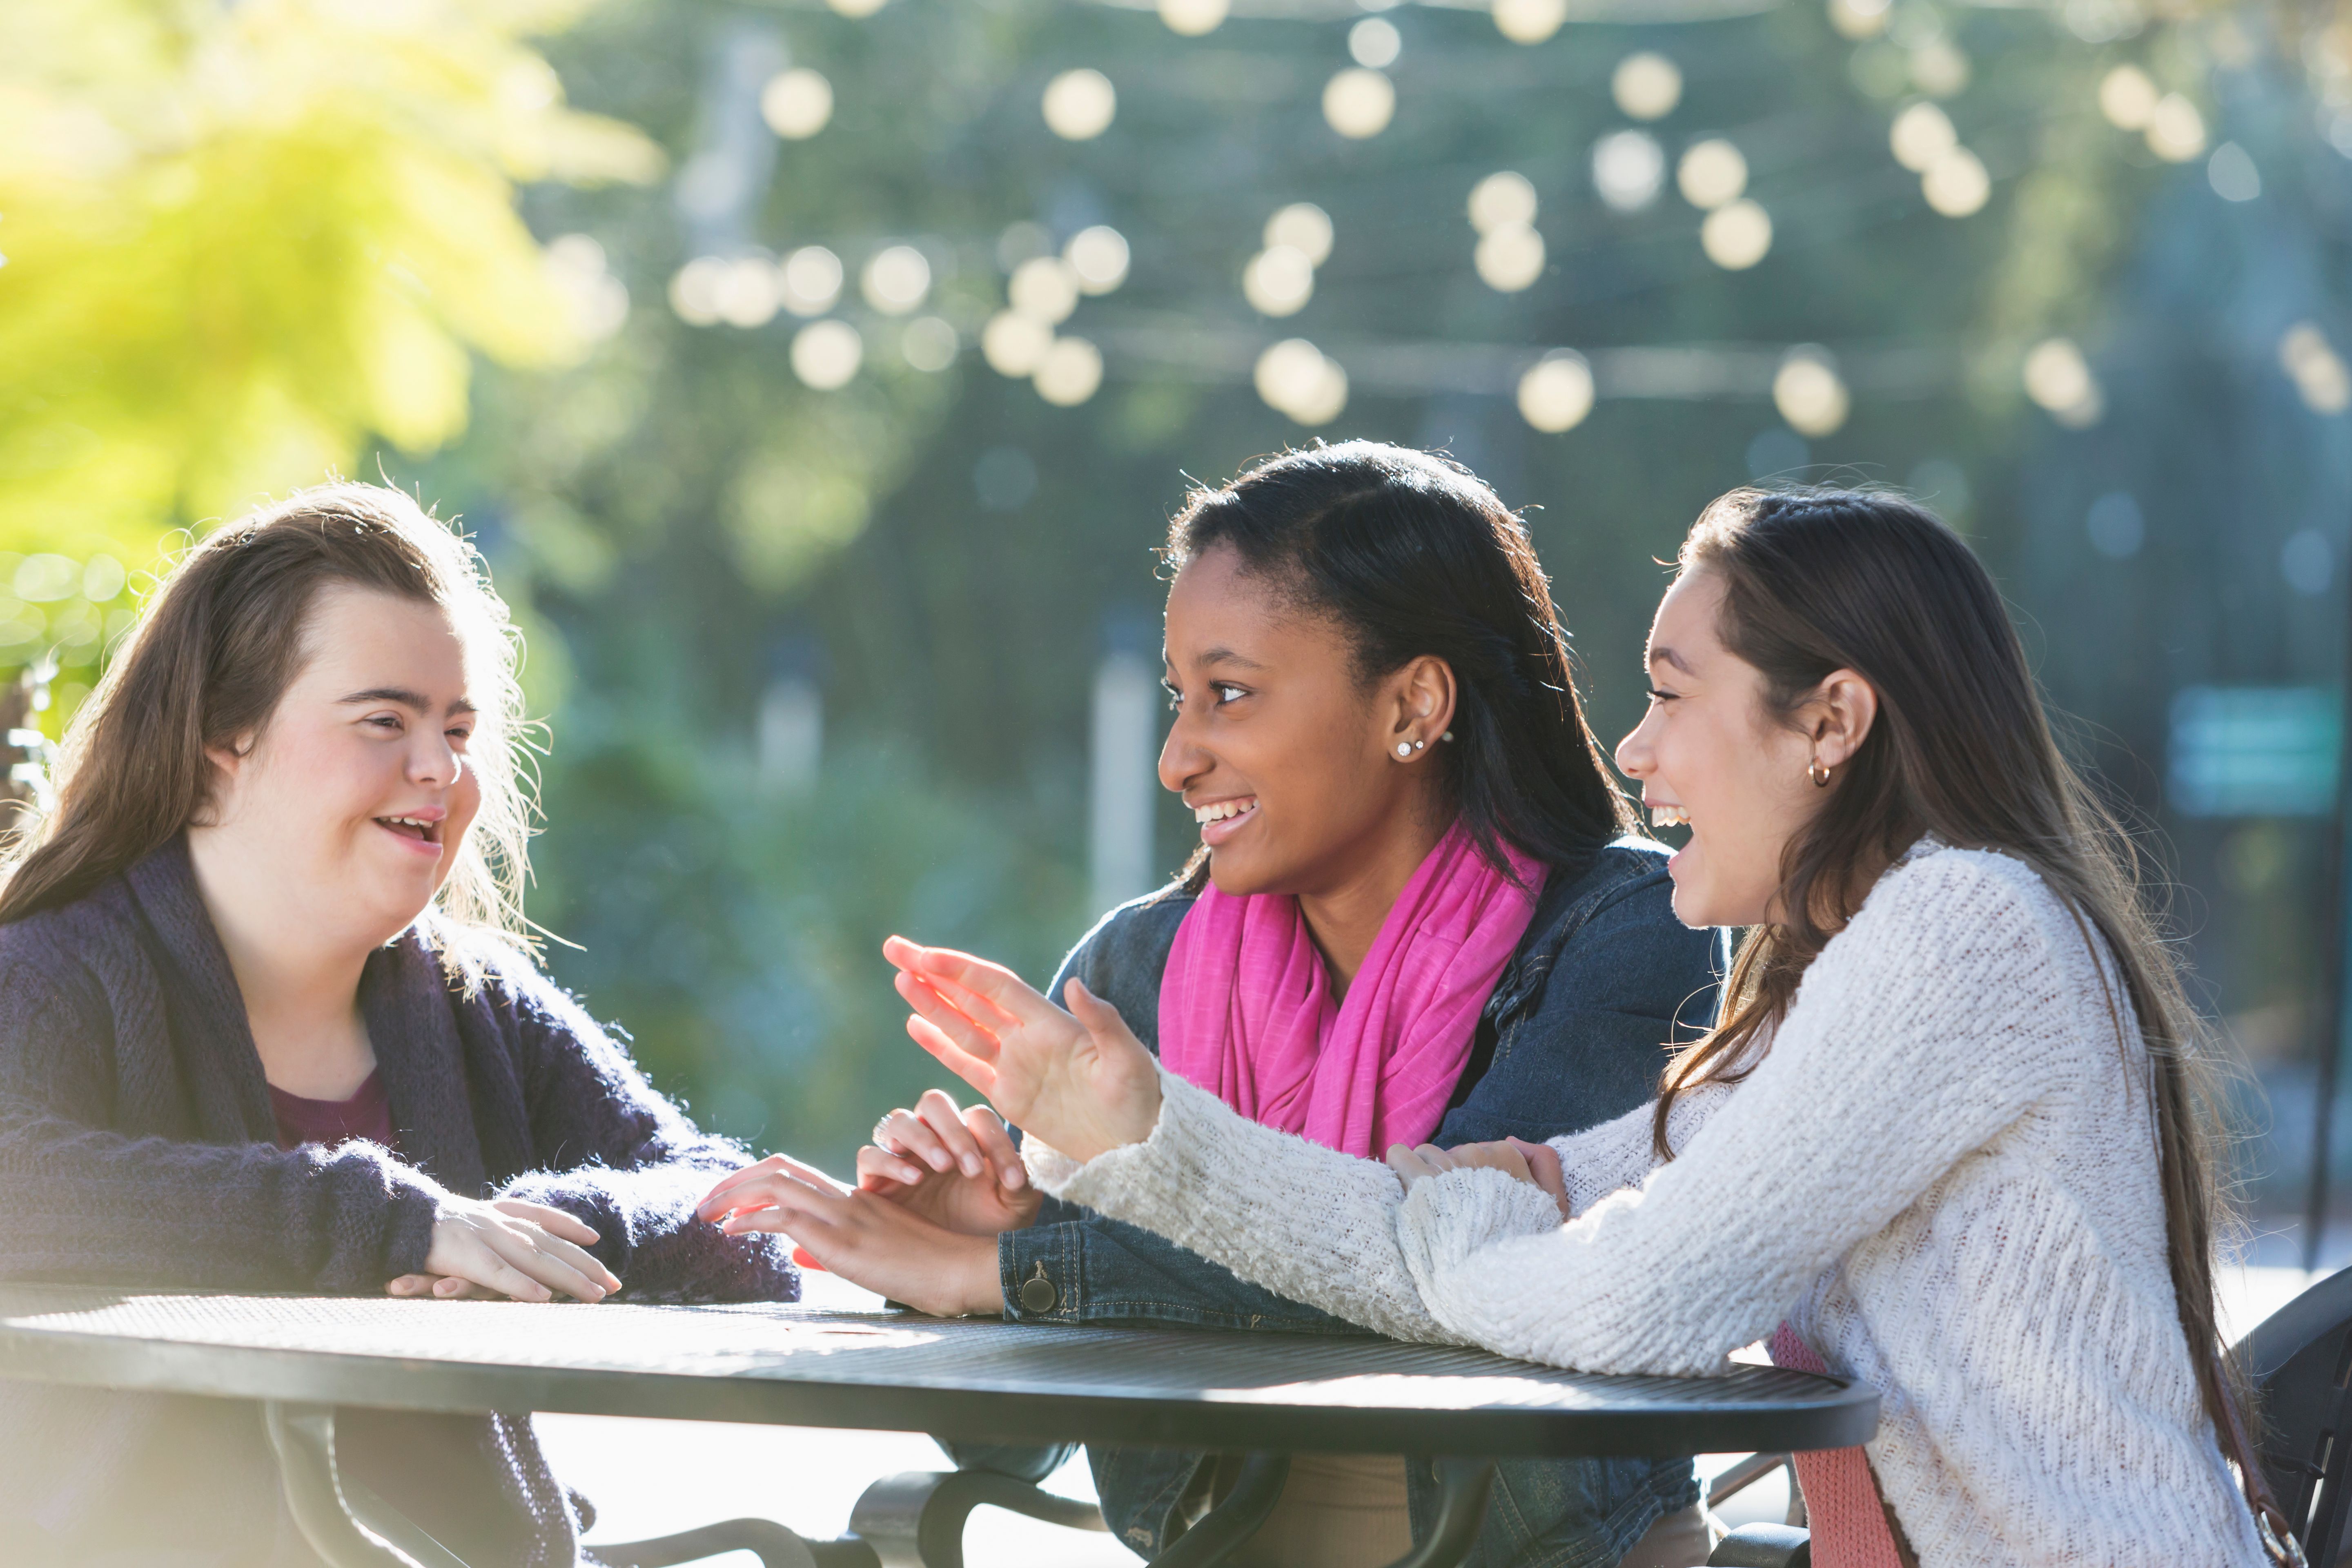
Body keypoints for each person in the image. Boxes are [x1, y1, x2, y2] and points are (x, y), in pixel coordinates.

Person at [877, 486, 2289, 1567]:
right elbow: (1425, 1233)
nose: (1637, 749)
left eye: (1674, 695)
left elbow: (1627, 1301)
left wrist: (1483, 1219)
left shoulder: (1961, 932)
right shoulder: (1837, 986)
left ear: (1831, 724)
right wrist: (1139, 1139)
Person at [701, 443, 1725, 1568]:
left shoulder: (1626, 929)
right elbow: (1004, 1450)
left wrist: (1014, 1281)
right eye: (1179, 699)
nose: (1177, 759)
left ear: (1415, 704)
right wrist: (983, 1261)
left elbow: (1465, 1273)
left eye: (1229, 696)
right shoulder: (1134, 969)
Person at [0, 484, 797, 1568]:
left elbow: (745, 1209)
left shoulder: (476, 1007)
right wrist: (382, 1220)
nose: (442, 770)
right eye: (387, 720)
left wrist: (546, 1235)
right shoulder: (50, 971)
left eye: (458, 729)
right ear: (220, 739)